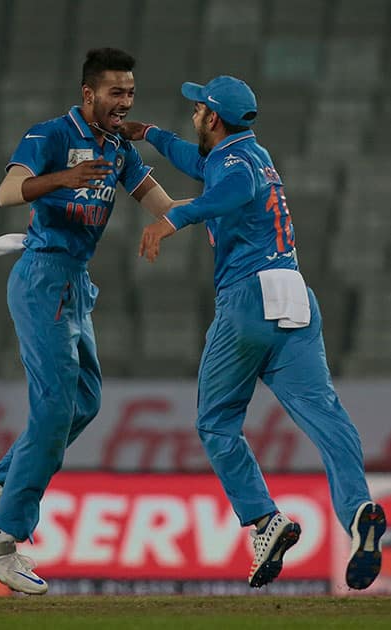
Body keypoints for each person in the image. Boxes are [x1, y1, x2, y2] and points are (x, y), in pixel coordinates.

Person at [120, 75, 387, 590]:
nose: (194, 115)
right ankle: (358, 512)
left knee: (216, 423)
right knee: (325, 412)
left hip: (248, 298)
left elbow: (232, 189)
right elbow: (196, 162)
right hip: (295, 294)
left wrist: (172, 220)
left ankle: (266, 522)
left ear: (213, 119)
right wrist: (149, 132)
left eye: (198, 109)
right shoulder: (249, 152)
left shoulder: (236, 167)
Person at [0, 47, 189, 595]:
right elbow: (7, 190)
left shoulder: (118, 148)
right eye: (114, 93)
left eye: (129, 94)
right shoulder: (50, 134)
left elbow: (162, 203)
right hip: (43, 277)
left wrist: (220, 209)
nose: (123, 103)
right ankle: (1, 538)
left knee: (84, 402)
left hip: (75, 283)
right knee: (57, 407)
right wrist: (64, 177)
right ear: (88, 94)